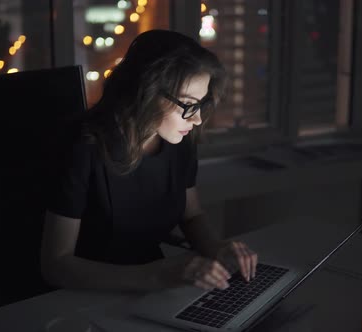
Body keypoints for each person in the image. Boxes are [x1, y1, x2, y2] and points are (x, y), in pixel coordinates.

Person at [40, 30, 258, 292]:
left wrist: (216, 247)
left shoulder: (179, 141)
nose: (197, 119)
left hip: (153, 290)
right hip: (84, 297)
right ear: (146, 91)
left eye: (200, 104)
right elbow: (55, 264)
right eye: (188, 105)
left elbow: (191, 215)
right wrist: (155, 276)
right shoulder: (83, 148)